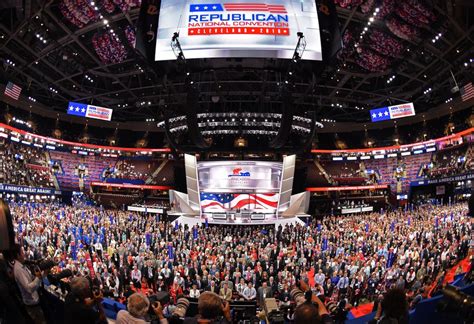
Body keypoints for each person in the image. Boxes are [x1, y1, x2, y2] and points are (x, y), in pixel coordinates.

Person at [11, 244, 47, 324]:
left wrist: (43, 274)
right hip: (32, 306)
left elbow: (32, 279)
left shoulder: (22, 266)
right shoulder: (18, 269)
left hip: (34, 302)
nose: (25, 254)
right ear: (18, 255)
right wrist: (38, 277)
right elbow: (29, 288)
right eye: (22, 252)